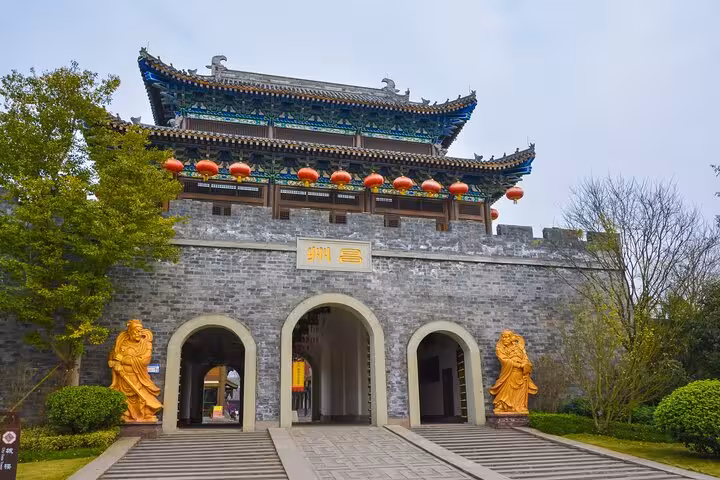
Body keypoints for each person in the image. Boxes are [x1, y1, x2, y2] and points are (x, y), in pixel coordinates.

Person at [108, 319, 163, 422]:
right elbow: (114, 355)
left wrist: (123, 360)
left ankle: (143, 414)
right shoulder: (122, 343)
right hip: (123, 378)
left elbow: (144, 361)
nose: (139, 333)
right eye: (136, 331)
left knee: (141, 398)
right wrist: (116, 364)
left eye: (141, 331)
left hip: (138, 377)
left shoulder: (145, 344)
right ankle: (127, 415)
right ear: (130, 331)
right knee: (123, 400)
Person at [488, 330, 538, 414]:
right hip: (509, 373)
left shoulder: (519, 347)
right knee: (506, 390)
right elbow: (505, 360)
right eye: (502, 337)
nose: (504, 339)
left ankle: (520, 406)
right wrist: (518, 365)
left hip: (521, 375)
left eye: (506, 337)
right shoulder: (500, 349)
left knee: (521, 392)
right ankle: (503, 405)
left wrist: (525, 365)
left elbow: (525, 358)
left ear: (511, 338)